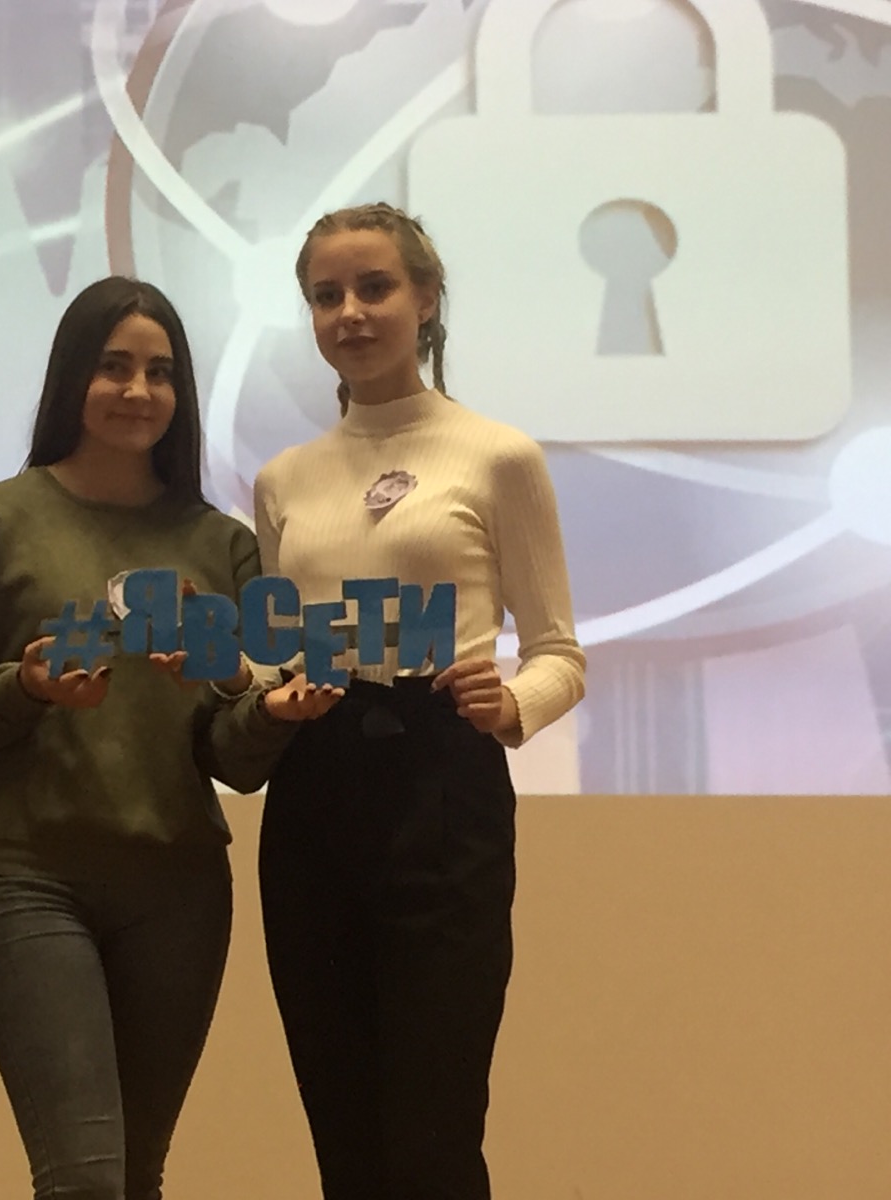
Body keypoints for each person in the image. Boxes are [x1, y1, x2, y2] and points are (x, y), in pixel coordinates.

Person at [0, 276, 336, 1200]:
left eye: (160, 372)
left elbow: (231, 757)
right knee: (83, 1180)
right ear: (73, 377)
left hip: (179, 891)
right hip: (27, 878)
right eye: (114, 367)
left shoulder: (222, 544)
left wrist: (267, 710)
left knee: (136, 1177)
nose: (138, 391)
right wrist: (25, 687)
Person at [254, 203, 587, 1199]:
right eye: (327, 296)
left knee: (432, 1136)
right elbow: (271, 656)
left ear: (427, 298)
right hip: (313, 794)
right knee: (343, 1129)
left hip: (443, 786)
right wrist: (263, 694)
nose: (350, 313)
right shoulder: (281, 479)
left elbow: (560, 655)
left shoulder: (496, 454)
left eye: (374, 288)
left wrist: (508, 703)